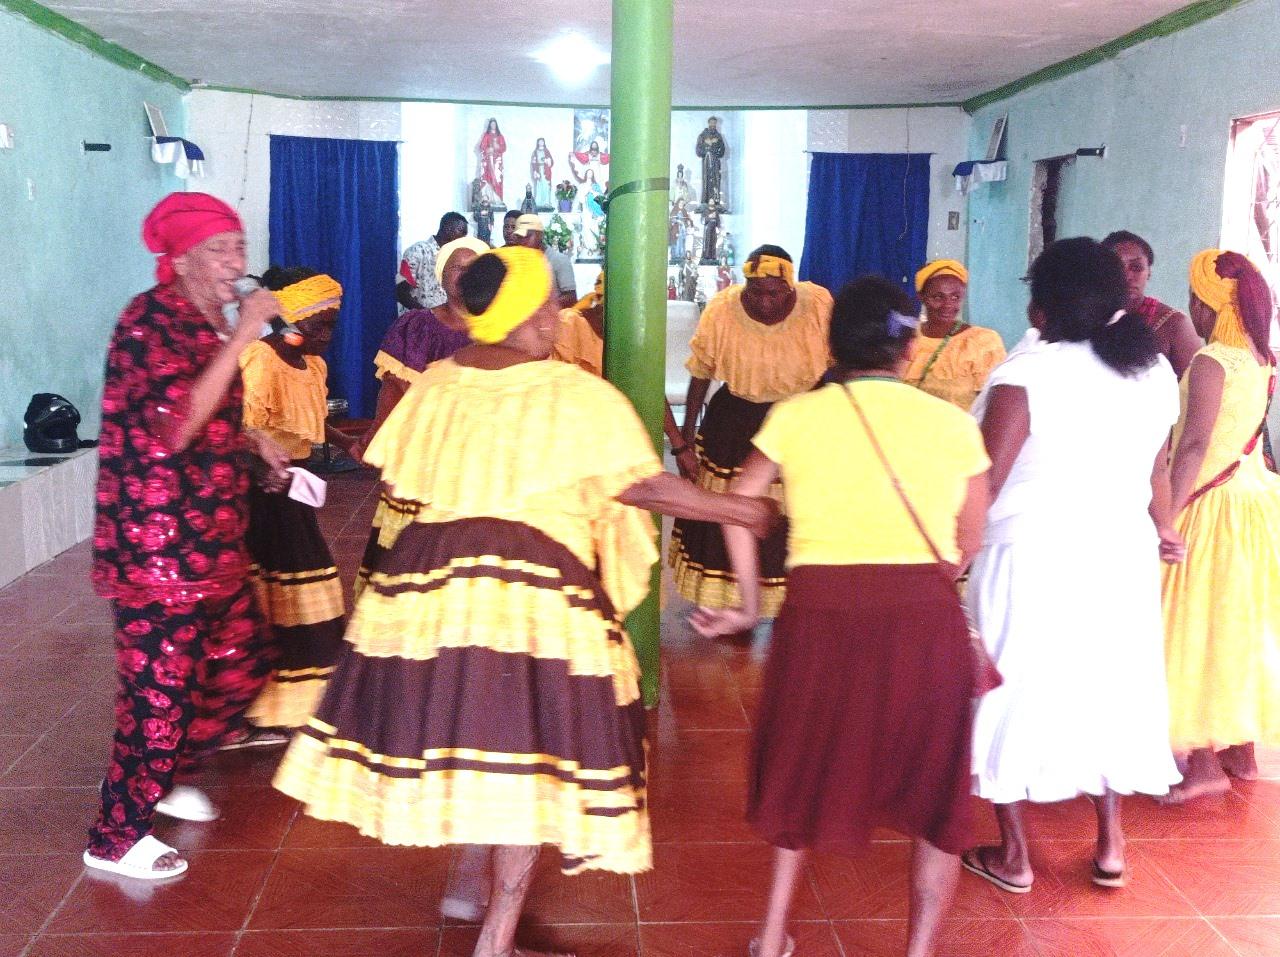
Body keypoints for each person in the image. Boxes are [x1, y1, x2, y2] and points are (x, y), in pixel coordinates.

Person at [273, 246, 777, 957]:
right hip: (532, 594)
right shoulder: (571, 391)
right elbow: (642, 486)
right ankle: (495, 938)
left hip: (427, 588)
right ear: (517, 314)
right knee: (531, 761)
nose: (555, 317)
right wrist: (738, 513)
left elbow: (395, 475)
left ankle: (481, 910)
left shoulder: (440, 384)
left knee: (473, 744)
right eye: (545, 305)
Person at [692, 275, 991, 957]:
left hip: (819, 614)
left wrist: (745, 603)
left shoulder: (797, 415)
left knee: (805, 766)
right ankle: (917, 950)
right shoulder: (951, 424)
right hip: (922, 618)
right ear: (909, 346)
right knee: (935, 789)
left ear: (834, 343)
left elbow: (742, 505)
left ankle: (772, 936)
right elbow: (972, 535)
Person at [964, 237, 1183, 897]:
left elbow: (984, 485)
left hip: (1030, 559)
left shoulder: (1025, 375)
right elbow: (1156, 470)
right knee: (1110, 686)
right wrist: (1165, 527)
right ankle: (1111, 845)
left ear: (1042, 305)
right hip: (1120, 556)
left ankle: (1014, 856)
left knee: (1010, 688)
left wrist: (947, 557)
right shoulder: (1153, 372)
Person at [84, 192, 287, 880]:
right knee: (159, 693)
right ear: (180, 260)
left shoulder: (208, 318)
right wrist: (243, 337)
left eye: (239, 246)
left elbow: (206, 408)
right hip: (156, 548)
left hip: (211, 539)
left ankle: (164, 775)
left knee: (241, 663)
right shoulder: (150, 321)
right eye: (221, 249)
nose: (238, 262)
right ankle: (115, 834)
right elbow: (174, 425)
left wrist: (252, 440)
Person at [1161, 249, 1280, 802]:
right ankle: (1241, 753)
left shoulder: (1214, 360)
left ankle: (1202, 764)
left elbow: (1194, 445)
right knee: (1235, 627)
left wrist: (1168, 515)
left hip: (1210, 511)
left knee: (1194, 629)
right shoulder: (1262, 358)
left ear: (1207, 303)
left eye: (1194, 298)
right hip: (1252, 506)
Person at [671, 246, 833, 618]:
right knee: (733, 509)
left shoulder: (818, 305)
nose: (763, 301)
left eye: (773, 292)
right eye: (754, 291)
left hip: (800, 421)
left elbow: (835, 365)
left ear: (790, 287)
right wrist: (685, 439)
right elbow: (701, 373)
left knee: (797, 514)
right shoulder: (722, 309)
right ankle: (735, 604)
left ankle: (795, 603)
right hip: (734, 425)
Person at [234, 267, 351, 740]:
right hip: (265, 493)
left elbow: (312, 424)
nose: (326, 337)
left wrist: (347, 443)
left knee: (303, 588)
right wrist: (266, 470)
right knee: (284, 589)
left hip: (294, 488)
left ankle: (299, 703)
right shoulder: (261, 360)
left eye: (332, 326)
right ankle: (271, 706)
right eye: (318, 325)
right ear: (291, 320)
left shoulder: (314, 366)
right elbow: (244, 428)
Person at [352, 236, 489, 599]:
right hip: (424, 455)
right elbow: (393, 392)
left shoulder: (499, 333)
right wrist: (378, 444)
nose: (465, 275)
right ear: (442, 276)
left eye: (474, 267)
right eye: (458, 267)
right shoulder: (417, 326)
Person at [550, 269, 690, 462]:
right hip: (571, 442)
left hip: (614, 436)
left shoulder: (634, 332)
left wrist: (680, 447)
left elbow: (651, 387)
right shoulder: (567, 328)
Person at [903, 259, 1006, 410]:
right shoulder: (906, 338)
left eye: (955, 297)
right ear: (921, 297)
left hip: (959, 432)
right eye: (938, 297)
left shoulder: (981, 342)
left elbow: (993, 405)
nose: (948, 305)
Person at [1102, 230, 1203, 377]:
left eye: (1136, 267)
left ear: (1149, 272)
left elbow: (1189, 393)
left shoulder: (1174, 325)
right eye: (1117, 268)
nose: (1127, 276)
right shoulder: (1089, 320)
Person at [397, 212, 468, 311]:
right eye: (461, 232)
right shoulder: (417, 251)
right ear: (448, 229)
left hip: (445, 322)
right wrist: (427, 315)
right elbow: (400, 292)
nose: (463, 238)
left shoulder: (453, 257)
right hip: (420, 322)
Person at [509, 213, 577, 308]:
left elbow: (571, 298)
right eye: (520, 238)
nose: (523, 241)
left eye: (527, 236)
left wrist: (541, 308)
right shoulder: (517, 262)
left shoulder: (558, 260)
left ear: (540, 235)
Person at [476, 118, 506, 205]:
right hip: (488, 161)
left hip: (497, 162)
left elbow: (504, 148)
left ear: (496, 125)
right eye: (491, 124)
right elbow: (482, 146)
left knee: (497, 179)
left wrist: (497, 148)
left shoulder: (500, 136)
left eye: (494, 124)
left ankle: (497, 199)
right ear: (490, 125)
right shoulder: (487, 135)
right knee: (487, 178)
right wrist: (488, 149)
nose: (493, 126)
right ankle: (487, 199)